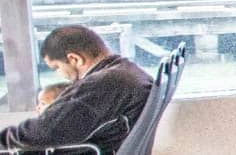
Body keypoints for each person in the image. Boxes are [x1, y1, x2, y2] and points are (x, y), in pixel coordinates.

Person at [2, 25, 153, 153]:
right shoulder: (129, 71)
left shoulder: (103, 83)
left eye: (56, 68)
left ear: (74, 59)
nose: (59, 74)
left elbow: (46, 131)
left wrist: (4, 140)